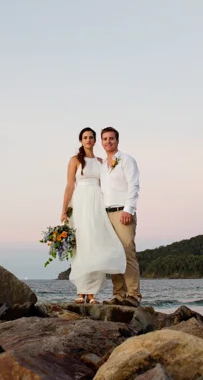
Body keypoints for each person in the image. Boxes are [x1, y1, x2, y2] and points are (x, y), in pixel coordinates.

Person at [60, 127, 126, 304]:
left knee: (97, 242)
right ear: (81, 140)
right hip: (81, 202)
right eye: (85, 137)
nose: (88, 140)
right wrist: (64, 210)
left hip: (98, 203)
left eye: (91, 137)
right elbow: (69, 186)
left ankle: (93, 293)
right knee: (82, 244)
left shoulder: (100, 161)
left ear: (95, 140)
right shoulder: (75, 160)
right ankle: (82, 291)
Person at [99, 126, 142, 307]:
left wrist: (128, 209)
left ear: (117, 141)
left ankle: (133, 295)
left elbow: (134, 184)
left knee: (127, 251)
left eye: (111, 138)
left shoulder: (126, 160)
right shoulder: (102, 166)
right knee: (113, 254)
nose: (108, 142)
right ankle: (118, 295)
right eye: (105, 139)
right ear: (101, 142)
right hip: (106, 214)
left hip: (122, 212)